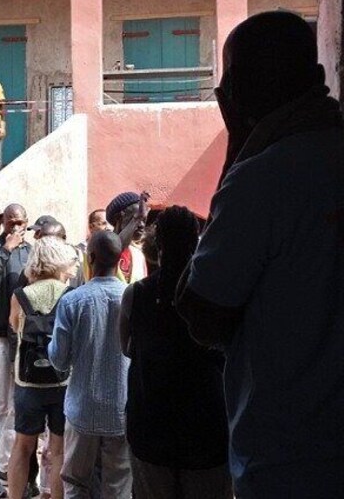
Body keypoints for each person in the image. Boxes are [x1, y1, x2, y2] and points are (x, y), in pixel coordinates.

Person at [177, 11, 344, 498]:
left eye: (230, 83)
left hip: (292, 463)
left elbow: (202, 313)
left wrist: (235, 150)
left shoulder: (259, 180)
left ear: (244, 93)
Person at [119, 206, 230, 498]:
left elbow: (127, 348)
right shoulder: (216, 293)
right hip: (206, 425)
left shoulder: (137, 294)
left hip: (151, 423)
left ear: (159, 243)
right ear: (197, 240)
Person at [49, 231, 132, 499]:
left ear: (91, 257)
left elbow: (59, 360)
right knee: (118, 487)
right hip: (122, 408)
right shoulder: (131, 296)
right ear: (120, 259)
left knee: (76, 484)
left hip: (82, 409)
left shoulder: (72, 300)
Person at [6, 237, 79, 499]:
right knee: (59, 449)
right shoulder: (70, 295)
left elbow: (15, 326)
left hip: (27, 382)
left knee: (22, 446)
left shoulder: (20, 295)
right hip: (61, 381)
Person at [0, 204, 33, 498]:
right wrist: (6, 249)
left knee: (16, 406)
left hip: (22, 339)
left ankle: (5, 465)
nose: (14, 227)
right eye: (10, 222)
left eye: (19, 222)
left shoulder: (31, 251)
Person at [86, 192, 148, 284]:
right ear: (118, 218)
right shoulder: (95, 252)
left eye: (143, 219)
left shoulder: (138, 256)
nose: (141, 225)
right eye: (135, 218)